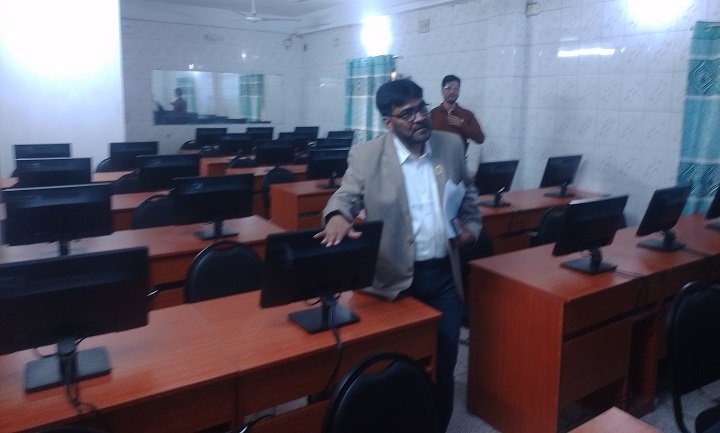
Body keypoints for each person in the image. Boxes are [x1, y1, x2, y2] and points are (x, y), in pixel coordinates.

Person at [315, 78, 481, 433]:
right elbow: (345, 196)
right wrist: (337, 216)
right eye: (408, 114)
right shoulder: (367, 156)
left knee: (444, 365)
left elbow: (467, 191)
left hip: (443, 277)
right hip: (393, 283)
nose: (420, 118)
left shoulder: (450, 145)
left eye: (422, 108)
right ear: (388, 122)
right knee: (395, 370)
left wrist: (470, 227)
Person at [430, 74, 485, 151]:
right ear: (442, 91)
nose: (452, 91)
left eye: (456, 89)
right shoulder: (433, 114)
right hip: (436, 156)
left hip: (459, 157)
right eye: (448, 88)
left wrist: (462, 125)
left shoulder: (467, 114)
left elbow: (480, 139)